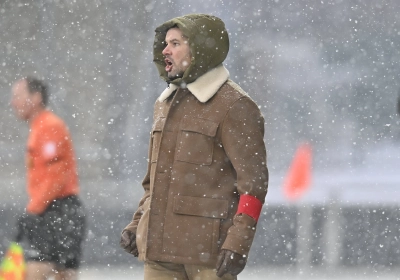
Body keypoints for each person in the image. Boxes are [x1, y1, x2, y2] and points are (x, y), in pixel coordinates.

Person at [120, 14, 269, 279]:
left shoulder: (235, 106)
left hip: (208, 257)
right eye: (165, 44)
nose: (165, 51)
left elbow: (254, 185)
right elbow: (154, 182)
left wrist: (238, 242)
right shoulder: (164, 104)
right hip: (159, 254)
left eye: (175, 43)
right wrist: (137, 223)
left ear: (200, 49)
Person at [10, 77, 86, 280]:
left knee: (38, 272)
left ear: (35, 98)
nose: (13, 102)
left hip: (58, 210)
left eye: (18, 96)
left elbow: (57, 175)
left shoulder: (49, 126)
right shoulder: (40, 127)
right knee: (63, 274)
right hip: (55, 211)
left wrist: (33, 209)